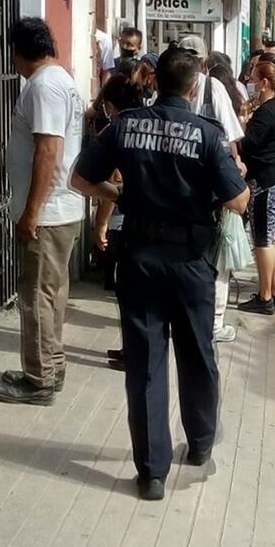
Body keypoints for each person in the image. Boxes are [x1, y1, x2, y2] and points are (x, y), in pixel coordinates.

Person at [70, 47, 250, 501]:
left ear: (156, 83)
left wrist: (122, 196)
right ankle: (201, 442)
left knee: (146, 362)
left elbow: (79, 180)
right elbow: (240, 201)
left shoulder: (125, 125)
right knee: (197, 352)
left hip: (140, 256)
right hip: (190, 261)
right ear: (193, 88)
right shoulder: (207, 135)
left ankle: (151, 472)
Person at [0, 17, 85, 406]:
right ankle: (52, 364)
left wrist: (31, 212)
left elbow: (49, 150)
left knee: (36, 296)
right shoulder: (61, 81)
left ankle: (39, 378)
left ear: (18, 50)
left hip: (47, 213)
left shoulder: (44, 86)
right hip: (61, 208)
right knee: (51, 291)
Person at [179, 36, 246, 342]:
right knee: (217, 256)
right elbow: (230, 137)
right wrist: (235, 173)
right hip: (209, 188)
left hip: (183, 186)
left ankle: (190, 317)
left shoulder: (171, 85)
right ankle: (214, 323)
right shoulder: (212, 87)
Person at [91, 73, 151, 370]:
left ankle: (135, 352)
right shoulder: (147, 127)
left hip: (124, 222)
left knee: (129, 293)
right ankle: (132, 349)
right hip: (149, 223)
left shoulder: (119, 131)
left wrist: (100, 223)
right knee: (136, 295)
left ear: (112, 105)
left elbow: (111, 181)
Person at [238, 60, 275, 315]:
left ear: (264, 83)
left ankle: (265, 296)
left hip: (266, 184)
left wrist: (238, 127)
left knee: (263, 241)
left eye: (252, 80)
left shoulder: (266, 112)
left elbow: (247, 144)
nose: (249, 84)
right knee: (269, 239)